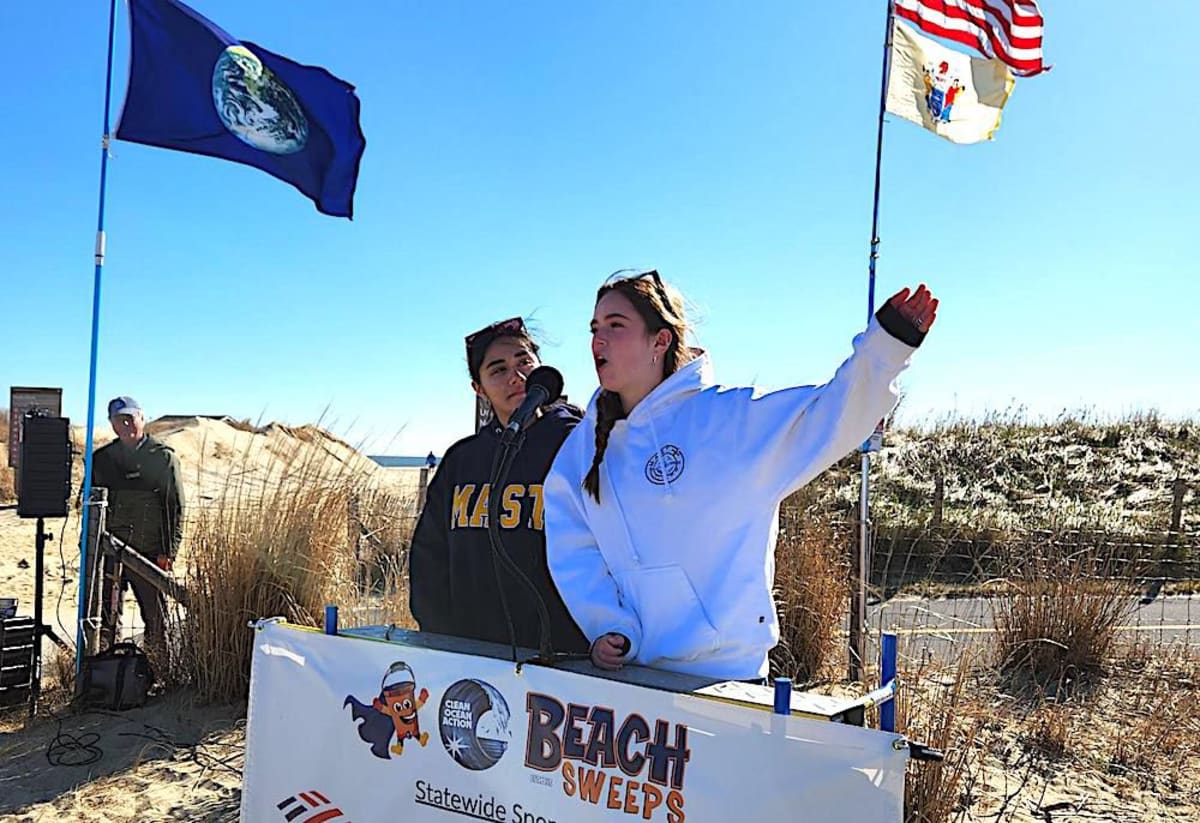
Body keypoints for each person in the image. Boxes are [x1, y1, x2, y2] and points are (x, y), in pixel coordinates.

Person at [544, 270, 938, 680]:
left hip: (728, 678)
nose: (598, 341)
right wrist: (608, 624)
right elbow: (572, 545)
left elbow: (827, 416)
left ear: (659, 341)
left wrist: (886, 348)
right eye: (594, 328)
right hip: (636, 678)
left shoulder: (727, 421)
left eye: (615, 326)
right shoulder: (587, 445)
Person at [408, 317, 589, 655]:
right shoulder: (462, 461)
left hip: (563, 659)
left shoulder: (577, 444)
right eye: (498, 369)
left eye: (524, 362)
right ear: (479, 388)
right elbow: (429, 557)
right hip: (472, 655)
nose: (515, 377)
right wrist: (443, 638)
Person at [92, 396, 185, 659]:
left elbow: (175, 508)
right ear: (112, 425)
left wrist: (168, 552)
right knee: (106, 617)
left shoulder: (162, 458)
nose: (125, 425)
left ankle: (160, 670)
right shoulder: (103, 459)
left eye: (129, 418)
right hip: (110, 553)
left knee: (155, 618)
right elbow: (91, 506)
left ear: (142, 418)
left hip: (149, 553)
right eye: (118, 420)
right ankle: (108, 672)